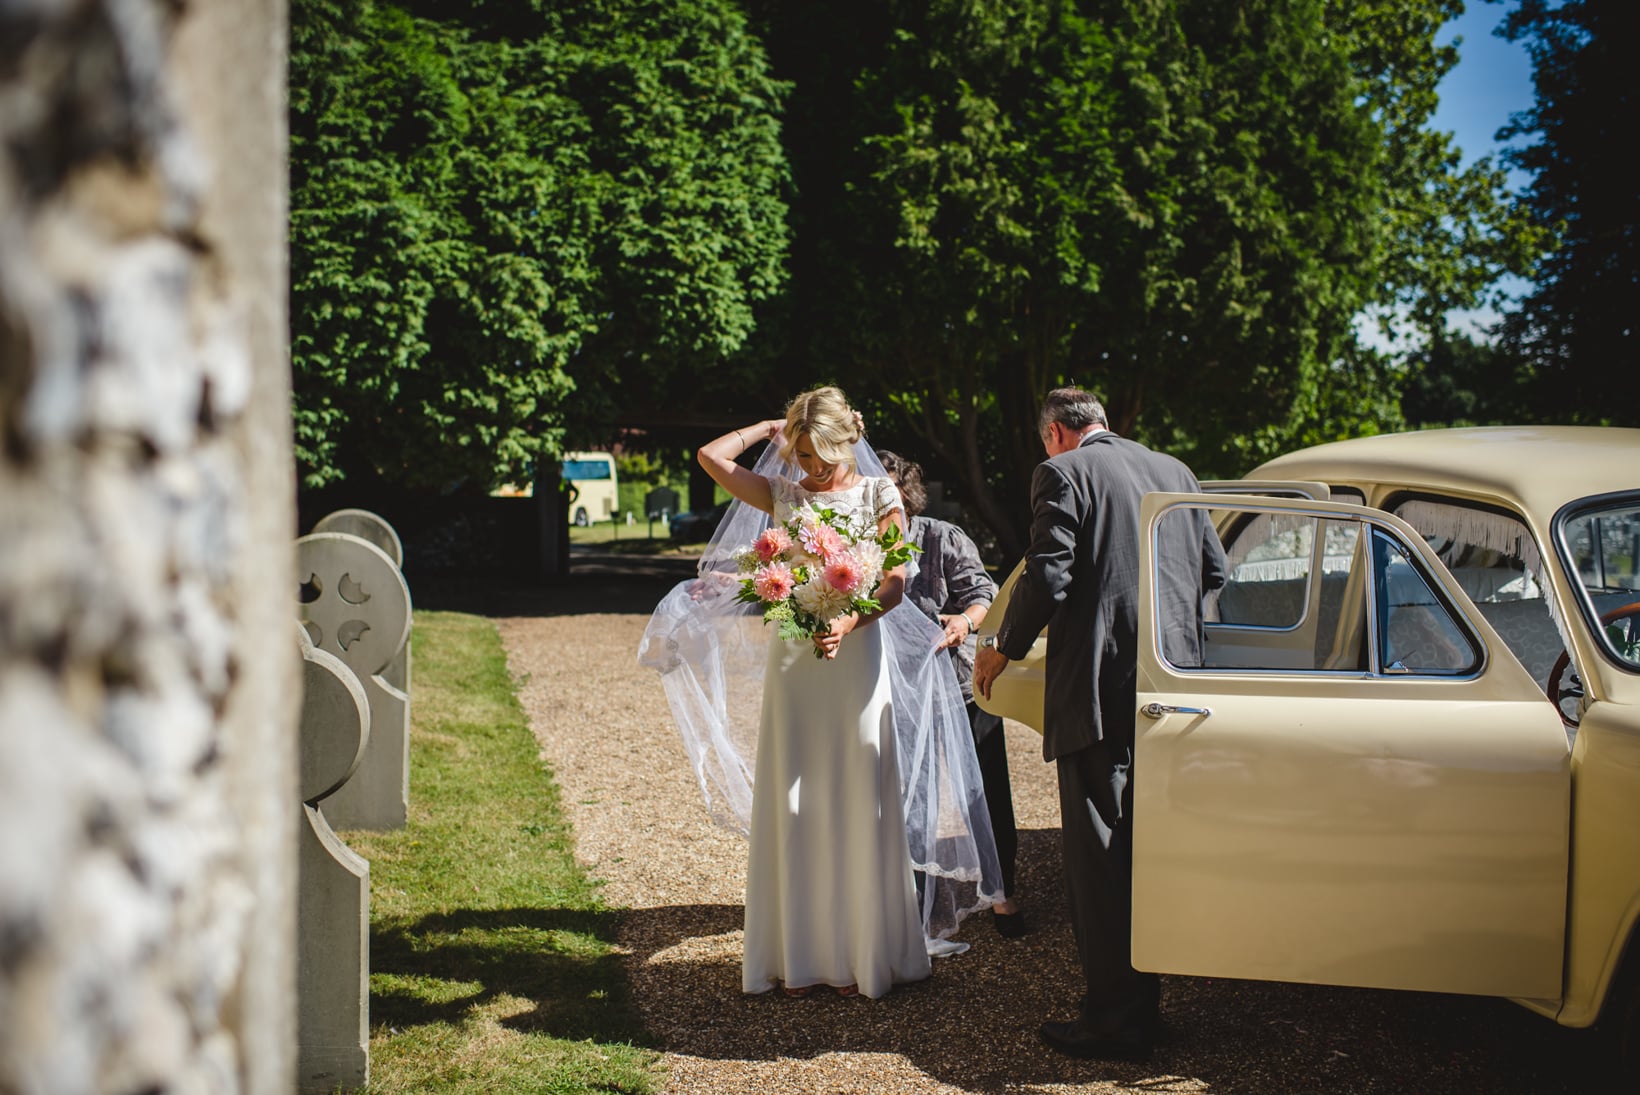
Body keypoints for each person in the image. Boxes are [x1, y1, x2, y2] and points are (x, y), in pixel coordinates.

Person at [638, 386, 1001, 1001]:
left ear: (846, 442)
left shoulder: (879, 493)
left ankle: (868, 953)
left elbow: (891, 583)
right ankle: (797, 955)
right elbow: (708, 455)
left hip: (858, 656)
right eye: (801, 455)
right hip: (795, 661)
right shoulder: (784, 494)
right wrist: (767, 427)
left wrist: (848, 621)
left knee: (862, 790)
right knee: (794, 795)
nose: (809, 468)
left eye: (819, 455)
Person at [973, 387, 1226, 1059]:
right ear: (1104, 423)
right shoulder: (1176, 471)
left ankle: (1116, 1018)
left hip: (1100, 696)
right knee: (1151, 854)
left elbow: (1049, 576)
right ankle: (1144, 1004)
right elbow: (1214, 570)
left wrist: (1002, 646)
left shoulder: (1063, 473)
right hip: (1177, 691)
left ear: (1056, 433)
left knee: (1100, 860)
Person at [876, 450, 1026, 938]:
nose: (884, 511)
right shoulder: (859, 550)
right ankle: (914, 903)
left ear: (909, 497)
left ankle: (1003, 894)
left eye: (892, 500)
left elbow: (983, 593)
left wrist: (964, 621)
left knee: (983, 794)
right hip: (898, 690)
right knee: (909, 798)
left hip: (962, 687)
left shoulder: (942, 536)